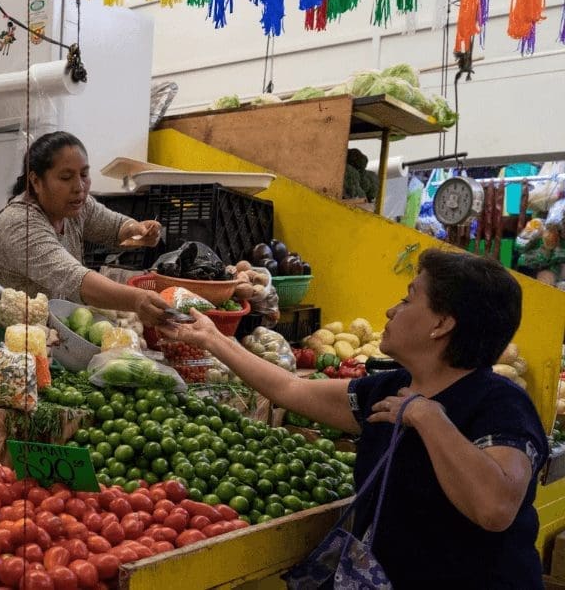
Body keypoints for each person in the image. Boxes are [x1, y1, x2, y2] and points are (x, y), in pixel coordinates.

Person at [158, 249, 547, 588]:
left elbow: (495, 508)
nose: (392, 311)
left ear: (442, 324)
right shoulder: (388, 388)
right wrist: (214, 339)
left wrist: (428, 418)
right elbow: (290, 390)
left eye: (408, 299)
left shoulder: (499, 403)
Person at [0, 131, 170, 325]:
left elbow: (115, 226)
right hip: (0, 339)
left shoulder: (75, 205)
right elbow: (75, 280)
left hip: (47, 332)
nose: (79, 187)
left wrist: (138, 230)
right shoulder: (20, 224)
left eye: (84, 174)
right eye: (66, 177)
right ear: (36, 181)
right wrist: (137, 300)